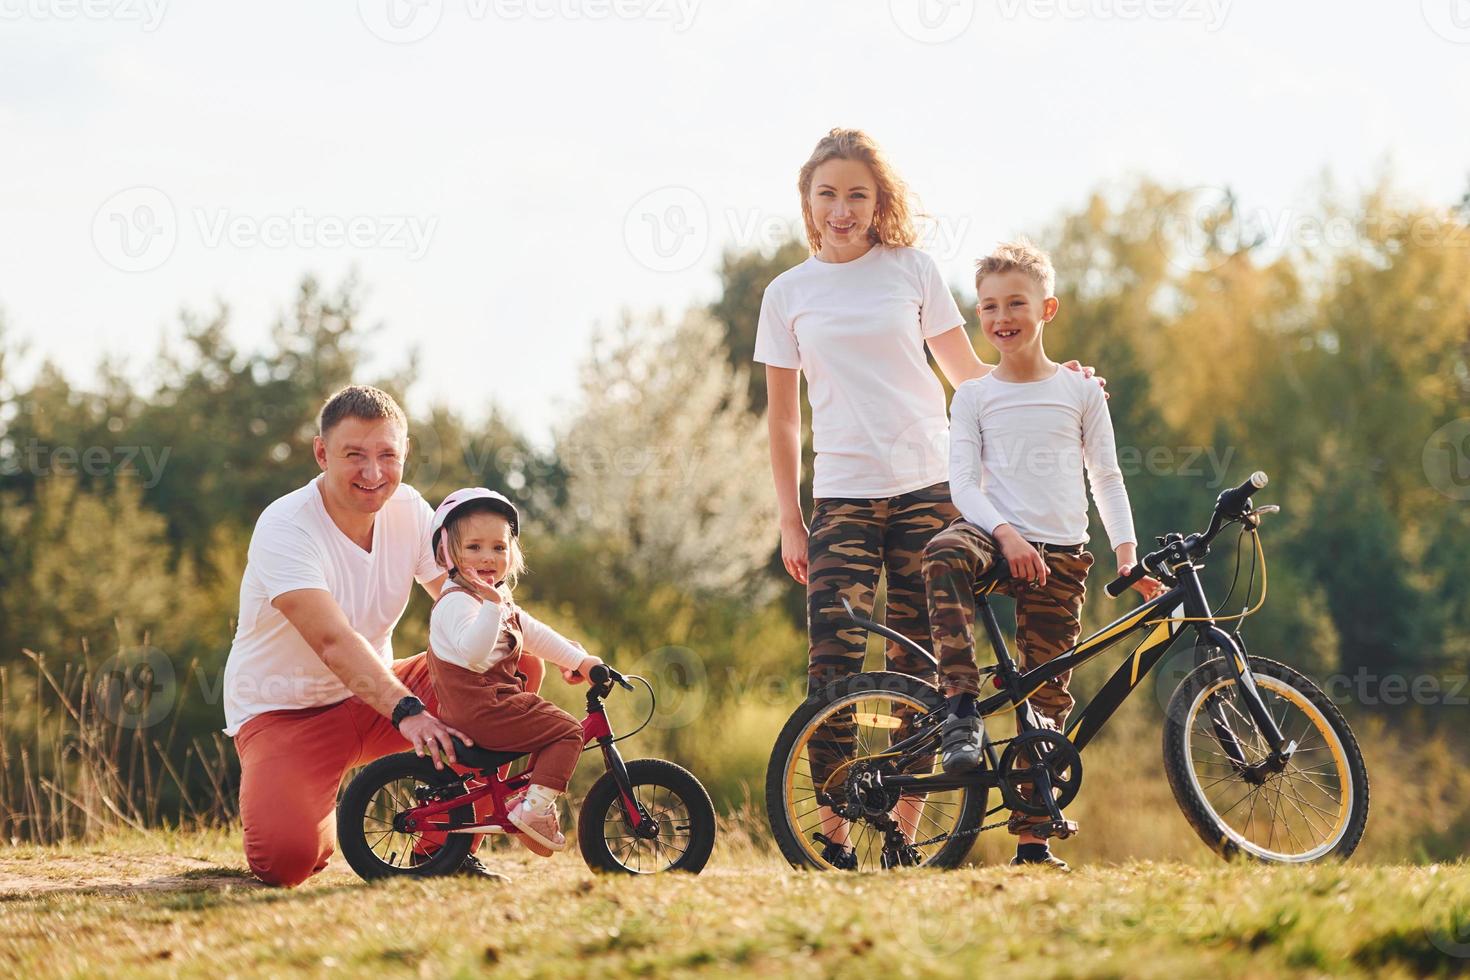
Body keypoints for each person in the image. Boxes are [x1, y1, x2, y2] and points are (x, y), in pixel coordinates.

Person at [756, 127, 1102, 868]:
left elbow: (972, 374)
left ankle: (905, 836)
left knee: (922, 671)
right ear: (807, 203)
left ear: (879, 200)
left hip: (927, 490)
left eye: (857, 194)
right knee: (834, 670)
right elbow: (784, 420)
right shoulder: (786, 294)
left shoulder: (911, 270)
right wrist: (792, 518)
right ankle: (834, 836)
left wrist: (1051, 377)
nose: (842, 209)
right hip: (842, 499)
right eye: (828, 195)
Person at [224, 385, 537, 886]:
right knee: (285, 861)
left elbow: (468, 599)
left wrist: (569, 654)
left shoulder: (410, 510)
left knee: (514, 660)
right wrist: (409, 713)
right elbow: (332, 642)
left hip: (375, 697)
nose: (373, 473)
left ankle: (446, 847)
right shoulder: (284, 526)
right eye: (354, 455)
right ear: (321, 453)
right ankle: (312, 805)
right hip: (284, 712)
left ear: (404, 454)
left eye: (386, 455)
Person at [921, 241, 1162, 872]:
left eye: (1016, 304)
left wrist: (1128, 557)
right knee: (943, 551)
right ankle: (962, 710)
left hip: (1061, 557)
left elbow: (1106, 478)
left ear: (1046, 308)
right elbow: (963, 487)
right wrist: (1004, 533)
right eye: (989, 307)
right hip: (993, 538)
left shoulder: (1080, 392)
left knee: (1047, 700)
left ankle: (1033, 841)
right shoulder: (973, 396)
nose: (1002, 317)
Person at [424, 487, 603, 855]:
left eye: (499, 548)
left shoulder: (496, 599)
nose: (488, 558)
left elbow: (532, 632)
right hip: (483, 711)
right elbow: (474, 654)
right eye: (474, 548)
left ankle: (526, 798)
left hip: (490, 705)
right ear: (446, 552)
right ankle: (533, 811)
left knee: (548, 730)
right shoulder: (457, 603)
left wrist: (579, 661)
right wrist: (491, 606)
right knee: (569, 731)